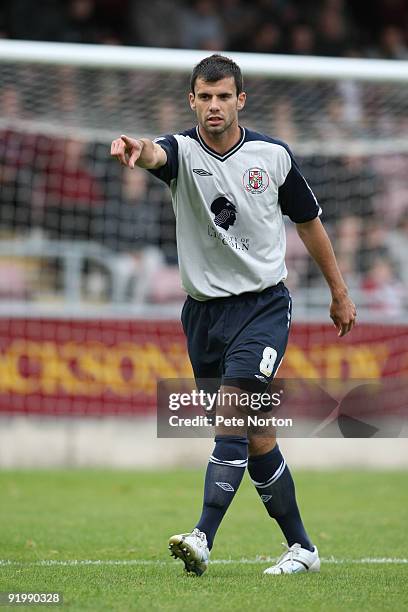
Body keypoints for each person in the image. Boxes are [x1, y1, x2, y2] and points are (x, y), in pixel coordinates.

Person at [110, 54, 356, 576]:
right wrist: (137, 147)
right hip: (201, 316)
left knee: (232, 416)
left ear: (241, 100)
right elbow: (155, 153)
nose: (215, 105)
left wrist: (339, 291)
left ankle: (203, 535)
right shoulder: (182, 151)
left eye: (225, 96)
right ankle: (304, 549)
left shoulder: (272, 156)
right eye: (205, 96)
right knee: (255, 434)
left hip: (263, 306)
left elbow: (310, 223)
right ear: (192, 101)